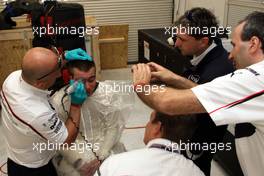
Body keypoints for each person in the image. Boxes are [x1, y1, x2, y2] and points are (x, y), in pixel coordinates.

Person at [132, 11, 264, 176]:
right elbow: (205, 91)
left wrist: (140, 84)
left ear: (253, 43)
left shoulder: (253, 80)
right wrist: (174, 78)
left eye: (235, 45)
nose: (231, 54)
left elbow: (167, 103)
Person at [159, 7, 235, 175]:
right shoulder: (205, 52)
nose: (176, 43)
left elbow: (181, 104)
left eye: (182, 39)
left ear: (203, 41)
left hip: (198, 142)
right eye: (176, 37)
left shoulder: (217, 71)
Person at [0, 47, 90, 176]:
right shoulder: (37, 114)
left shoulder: (13, 78)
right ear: (41, 84)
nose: (60, 74)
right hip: (33, 168)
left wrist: (63, 58)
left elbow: (39, 70)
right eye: (57, 71)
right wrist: (76, 105)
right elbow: (66, 140)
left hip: (17, 154)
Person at [51, 59, 133, 176]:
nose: (88, 87)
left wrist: (101, 157)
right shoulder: (60, 100)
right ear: (70, 78)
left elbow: (112, 128)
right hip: (74, 149)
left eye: (91, 79)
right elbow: (58, 139)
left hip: (106, 146)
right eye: (81, 81)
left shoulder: (107, 95)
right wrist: (79, 163)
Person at [97, 111, 205, 176]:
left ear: (157, 127)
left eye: (150, 120)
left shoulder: (114, 164)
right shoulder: (197, 173)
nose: (147, 125)